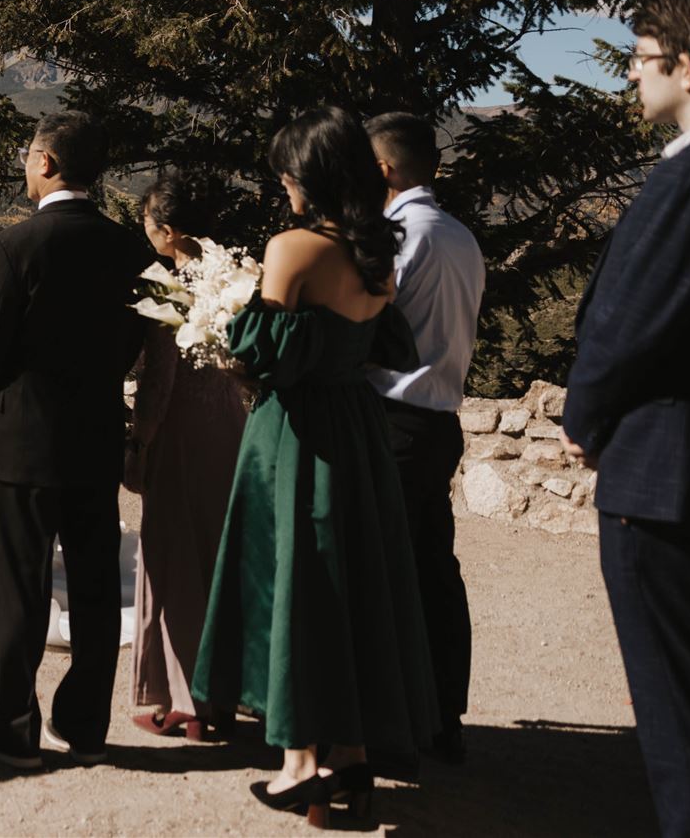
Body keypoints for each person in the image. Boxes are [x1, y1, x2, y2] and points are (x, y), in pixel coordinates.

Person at [193, 105, 437, 828]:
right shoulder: (375, 252)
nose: (284, 185)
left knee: (291, 583)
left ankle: (299, 761)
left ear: (312, 176)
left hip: (295, 436)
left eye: (288, 173)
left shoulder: (292, 247)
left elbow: (262, 354)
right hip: (357, 432)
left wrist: (224, 331)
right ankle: (353, 757)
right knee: (351, 585)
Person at [563, 0, 690, 838]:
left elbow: (625, 321)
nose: (633, 80)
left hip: (671, 479)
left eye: (643, 62)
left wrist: (584, 418)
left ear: (685, 66)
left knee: (688, 733)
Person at [0, 115, 154, 771]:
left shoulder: (15, 245)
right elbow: (136, 341)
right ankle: (85, 722)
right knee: (95, 582)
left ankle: (14, 723)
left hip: (23, 441)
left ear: (45, 162)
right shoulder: (131, 250)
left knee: (18, 584)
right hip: (96, 434)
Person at [363, 110, 485, 765]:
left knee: (389, 572)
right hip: (441, 421)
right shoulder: (461, 235)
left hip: (395, 420)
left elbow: (371, 328)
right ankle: (445, 714)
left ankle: (401, 722)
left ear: (382, 169)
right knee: (435, 567)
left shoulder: (398, 236)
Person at [126, 173, 248, 743]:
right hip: (229, 426)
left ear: (168, 231)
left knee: (172, 557)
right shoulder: (234, 277)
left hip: (179, 431)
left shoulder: (169, 283)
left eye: (147, 226)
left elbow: (159, 378)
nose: (145, 235)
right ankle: (228, 692)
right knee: (220, 556)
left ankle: (184, 702)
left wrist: (140, 440)